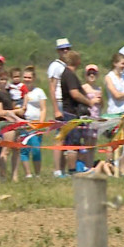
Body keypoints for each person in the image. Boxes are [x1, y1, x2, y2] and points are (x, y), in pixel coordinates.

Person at [61, 50, 101, 175]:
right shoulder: (70, 75)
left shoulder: (67, 74)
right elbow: (75, 93)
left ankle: (78, 167)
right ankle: (73, 170)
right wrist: (89, 102)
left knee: (75, 142)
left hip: (70, 113)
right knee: (73, 142)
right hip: (72, 113)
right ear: (76, 61)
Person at [0, 70, 24, 181]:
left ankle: (14, 176)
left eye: (5, 79)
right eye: (1, 79)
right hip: (6, 123)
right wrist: (16, 112)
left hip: (14, 122)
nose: (3, 82)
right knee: (6, 150)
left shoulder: (8, 92)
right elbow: (0, 111)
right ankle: (3, 176)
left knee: (16, 149)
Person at [48, 38, 70, 178]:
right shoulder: (55, 66)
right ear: (58, 51)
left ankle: (63, 168)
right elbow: (52, 87)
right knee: (59, 137)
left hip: (67, 102)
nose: (65, 51)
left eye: (67, 48)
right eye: (62, 49)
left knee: (66, 137)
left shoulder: (66, 65)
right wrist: (56, 108)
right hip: (60, 102)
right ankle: (57, 170)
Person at [20, 66, 47, 178]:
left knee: (36, 149)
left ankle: (37, 174)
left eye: (29, 77)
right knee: (24, 149)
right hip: (23, 124)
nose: (27, 79)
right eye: (25, 77)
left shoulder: (39, 92)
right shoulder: (19, 91)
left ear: (33, 78)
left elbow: (43, 108)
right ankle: (28, 174)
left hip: (36, 125)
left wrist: (40, 124)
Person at [80, 64, 103, 171]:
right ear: (86, 75)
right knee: (87, 142)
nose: (92, 75)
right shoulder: (84, 87)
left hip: (96, 117)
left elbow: (102, 105)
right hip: (87, 118)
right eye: (89, 73)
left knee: (93, 142)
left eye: (94, 73)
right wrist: (91, 101)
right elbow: (81, 102)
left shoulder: (99, 88)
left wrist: (100, 100)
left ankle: (90, 165)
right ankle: (84, 165)